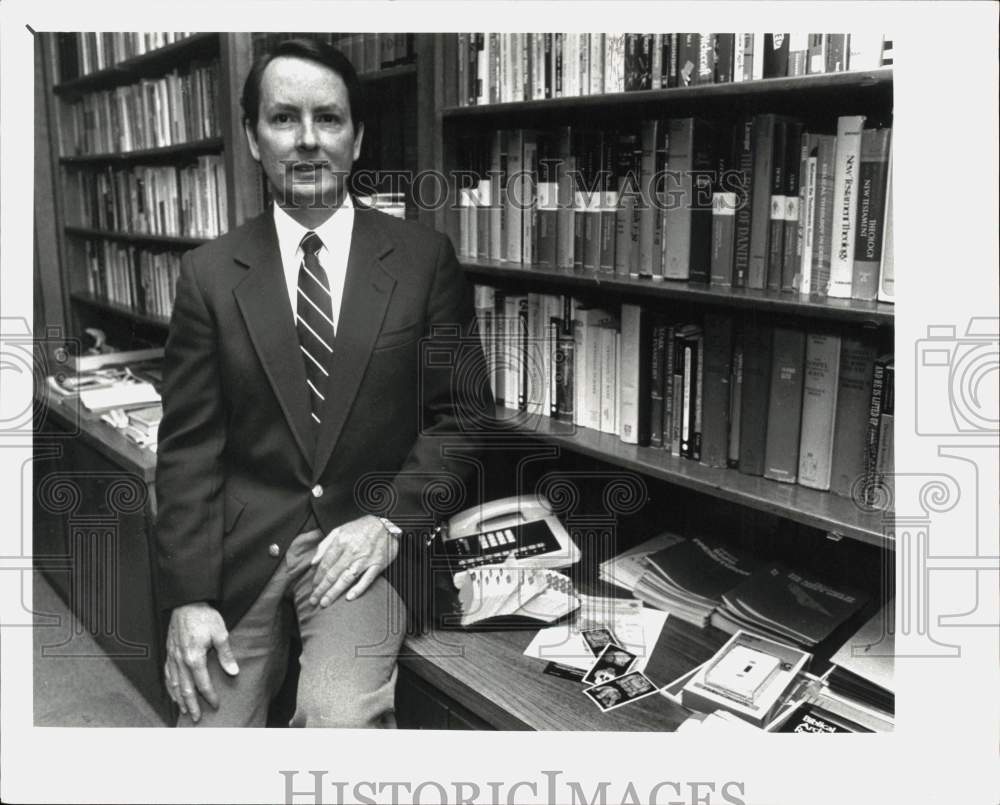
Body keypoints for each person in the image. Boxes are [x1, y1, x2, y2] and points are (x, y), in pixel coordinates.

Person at [154, 37, 488, 727]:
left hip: (364, 542)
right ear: (252, 135)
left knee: (338, 722)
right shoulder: (209, 275)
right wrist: (187, 597)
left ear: (357, 137)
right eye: (283, 118)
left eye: (328, 119)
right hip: (242, 548)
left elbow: (459, 416)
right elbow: (188, 450)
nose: (307, 140)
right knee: (204, 744)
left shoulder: (423, 260)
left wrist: (390, 520)